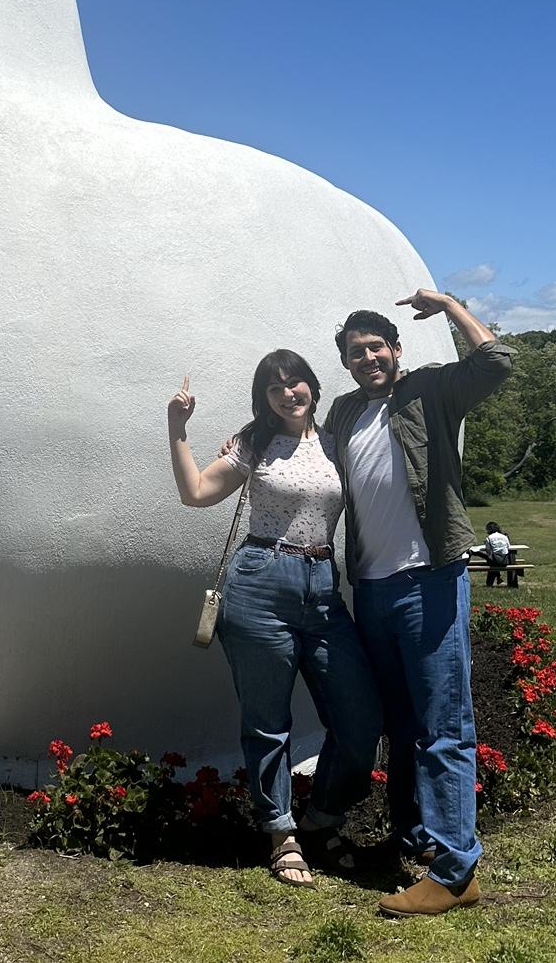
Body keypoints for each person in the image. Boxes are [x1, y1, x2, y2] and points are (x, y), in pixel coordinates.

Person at [323, 290, 514, 918]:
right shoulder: (347, 412)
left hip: (429, 577)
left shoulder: (430, 391)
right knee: (400, 726)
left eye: (377, 347)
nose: (369, 357)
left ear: (396, 350)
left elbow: (496, 363)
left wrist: (450, 305)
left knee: (443, 724)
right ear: (346, 364)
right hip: (372, 586)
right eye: (357, 352)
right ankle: (415, 843)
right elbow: (307, 460)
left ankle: (457, 871)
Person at [167, 352, 382, 887]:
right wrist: (178, 429)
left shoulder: (338, 439)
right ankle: (280, 833)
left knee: (360, 722)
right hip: (260, 583)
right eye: (275, 388)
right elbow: (196, 495)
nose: (289, 393)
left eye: (297, 382)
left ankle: (320, 817)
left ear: (313, 385)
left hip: (324, 590)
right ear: (263, 398)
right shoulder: (253, 442)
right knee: (268, 723)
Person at [483, 520, 512, 588]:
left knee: (491, 561)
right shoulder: (504, 537)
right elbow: (509, 547)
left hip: (495, 561)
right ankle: (498, 578)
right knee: (493, 561)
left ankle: (490, 583)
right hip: (505, 560)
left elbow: (488, 551)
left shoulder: (489, 538)